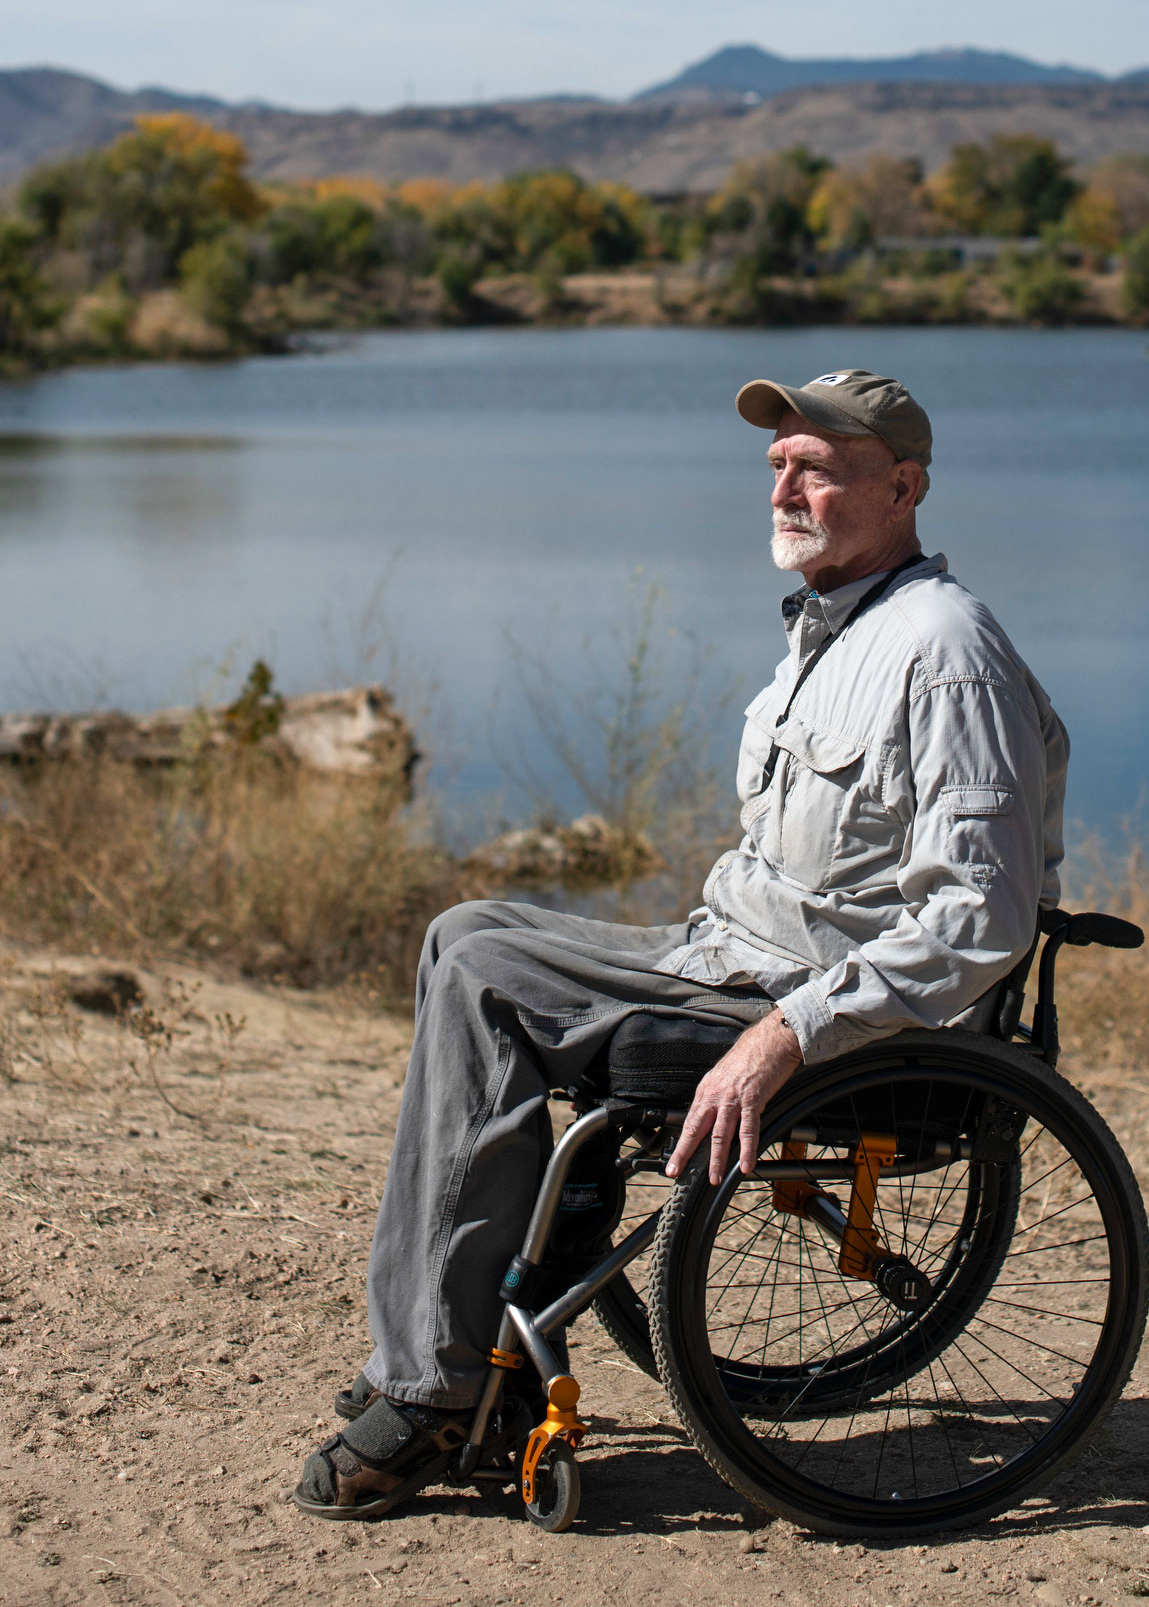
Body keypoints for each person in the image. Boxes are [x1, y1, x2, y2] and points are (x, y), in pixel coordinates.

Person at [294, 366, 1067, 1520]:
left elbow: (981, 920)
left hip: (829, 1013)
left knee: (483, 975)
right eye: (776, 467)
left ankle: (440, 1386)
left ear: (902, 486)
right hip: (727, 958)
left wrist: (783, 1039)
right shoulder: (830, 628)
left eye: (817, 467)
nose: (784, 488)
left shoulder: (943, 650)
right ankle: (472, 1341)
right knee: (469, 931)